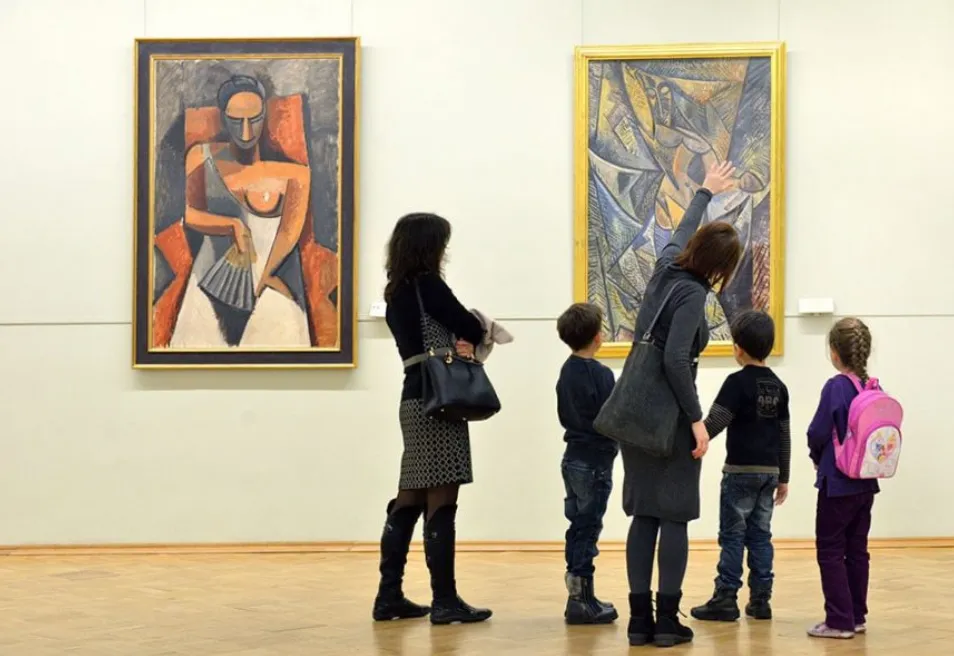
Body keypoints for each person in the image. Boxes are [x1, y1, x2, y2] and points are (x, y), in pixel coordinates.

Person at [623, 160, 742, 648]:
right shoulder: (692, 293)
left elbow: (681, 230)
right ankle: (667, 622)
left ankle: (638, 622)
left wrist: (705, 191)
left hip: (634, 413)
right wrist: (696, 421)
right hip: (670, 419)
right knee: (673, 516)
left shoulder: (665, 267)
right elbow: (676, 359)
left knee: (643, 516)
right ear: (721, 268)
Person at [372, 213, 492, 625]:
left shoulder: (395, 292)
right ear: (430, 247)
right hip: (440, 401)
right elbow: (470, 326)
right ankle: (445, 600)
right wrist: (469, 334)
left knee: (409, 497)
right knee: (442, 499)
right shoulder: (429, 285)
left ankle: (389, 595)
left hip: (413, 399)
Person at [172, 75, 312, 348]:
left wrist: (262, 280)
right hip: (209, 283)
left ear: (265, 116)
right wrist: (232, 225)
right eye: (236, 121)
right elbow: (190, 214)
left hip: (269, 278)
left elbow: (288, 234)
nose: (246, 132)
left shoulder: (295, 175)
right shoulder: (200, 156)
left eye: (254, 119)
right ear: (223, 119)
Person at [690, 310, 791, 623]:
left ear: (738, 349)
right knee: (760, 536)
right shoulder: (779, 386)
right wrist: (784, 477)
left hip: (740, 473)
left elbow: (716, 422)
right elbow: (784, 435)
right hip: (769, 473)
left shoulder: (736, 383)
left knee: (733, 536)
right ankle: (761, 600)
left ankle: (726, 597)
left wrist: (695, 441)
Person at [806, 318, 879, 639]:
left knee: (830, 549)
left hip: (837, 483)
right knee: (857, 550)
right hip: (866, 482)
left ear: (834, 352)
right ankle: (856, 615)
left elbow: (817, 431)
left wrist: (815, 457)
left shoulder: (836, 386)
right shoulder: (872, 387)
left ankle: (838, 620)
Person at [555, 303, 618, 625]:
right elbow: (612, 418)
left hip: (572, 458)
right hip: (595, 462)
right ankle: (581, 600)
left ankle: (579, 595)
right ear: (597, 337)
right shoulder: (601, 374)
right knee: (588, 528)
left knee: (578, 525)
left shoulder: (566, 370)